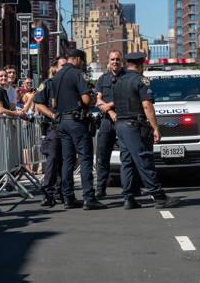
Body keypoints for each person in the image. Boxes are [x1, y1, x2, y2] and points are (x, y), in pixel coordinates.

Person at [112, 52, 179, 209]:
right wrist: (156, 127)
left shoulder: (118, 81)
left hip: (121, 125)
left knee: (127, 162)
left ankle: (128, 198)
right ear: (141, 64)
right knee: (144, 160)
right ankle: (159, 196)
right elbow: (147, 105)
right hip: (135, 126)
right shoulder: (141, 80)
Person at [50, 49, 105, 210]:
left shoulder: (56, 76)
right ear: (77, 59)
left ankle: (68, 197)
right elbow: (87, 99)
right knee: (85, 158)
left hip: (62, 121)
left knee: (68, 160)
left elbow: (53, 103)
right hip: (76, 122)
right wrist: (92, 99)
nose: (83, 64)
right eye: (82, 61)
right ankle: (89, 198)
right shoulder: (76, 74)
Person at [95, 50, 141, 198]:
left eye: (118, 59)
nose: (115, 62)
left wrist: (108, 106)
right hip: (107, 122)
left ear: (122, 61)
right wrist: (110, 111)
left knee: (128, 156)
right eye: (112, 59)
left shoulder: (127, 77)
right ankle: (100, 189)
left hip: (125, 120)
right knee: (103, 156)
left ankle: (131, 188)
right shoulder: (103, 79)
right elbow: (97, 100)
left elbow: (129, 96)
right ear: (109, 61)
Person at [34, 63, 64, 207]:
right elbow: (38, 103)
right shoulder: (48, 84)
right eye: (62, 65)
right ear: (55, 68)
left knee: (65, 160)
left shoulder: (73, 82)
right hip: (53, 126)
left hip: (69, 126)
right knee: (52, 159)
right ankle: (48, 193)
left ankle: (62, 192)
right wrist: (52, 115)